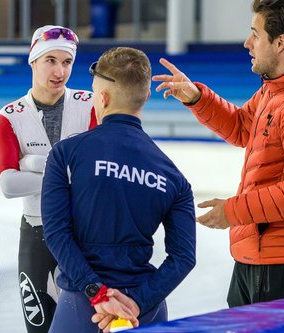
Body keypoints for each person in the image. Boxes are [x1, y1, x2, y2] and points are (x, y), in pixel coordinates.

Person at [154, 0, 284, 308]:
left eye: (255, 34)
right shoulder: (275, 90)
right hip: (261, 253)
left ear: (280, 43)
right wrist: (197, 97)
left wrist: (233, 211)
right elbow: (242, 127)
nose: (247, 43)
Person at [41, 46, 197, 332]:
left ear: (102, 98)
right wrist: (137, 302)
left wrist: (96, 292)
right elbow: (184, 257)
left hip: (82, 307)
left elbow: (56, 232)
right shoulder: (174, 177)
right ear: (146, 96)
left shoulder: (66, 154)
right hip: (144, 311)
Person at [0, 25, 96, 332]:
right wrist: (65, 173)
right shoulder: (10, 116)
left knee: (87, 324)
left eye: (66, 62)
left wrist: (34, 164)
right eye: (50, 60)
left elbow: (93, 173)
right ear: (33, 61)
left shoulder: (89, 104)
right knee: (39, 326)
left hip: (83, 233)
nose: (59, 70)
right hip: (36, 234)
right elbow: (9, 184)